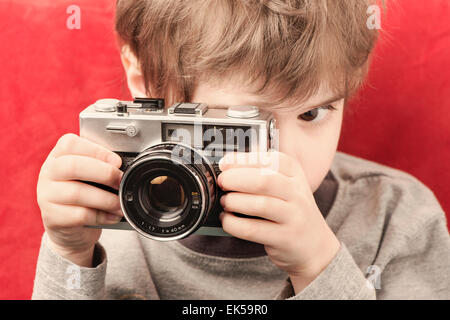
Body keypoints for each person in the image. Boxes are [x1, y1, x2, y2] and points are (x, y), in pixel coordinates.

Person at [32, 0, 450, 299]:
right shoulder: (111, 216)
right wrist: (70, 254)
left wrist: (318, 269)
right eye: (241, 125)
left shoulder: (397, 220)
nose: (279, 159)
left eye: (312, 114)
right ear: (144, 84)